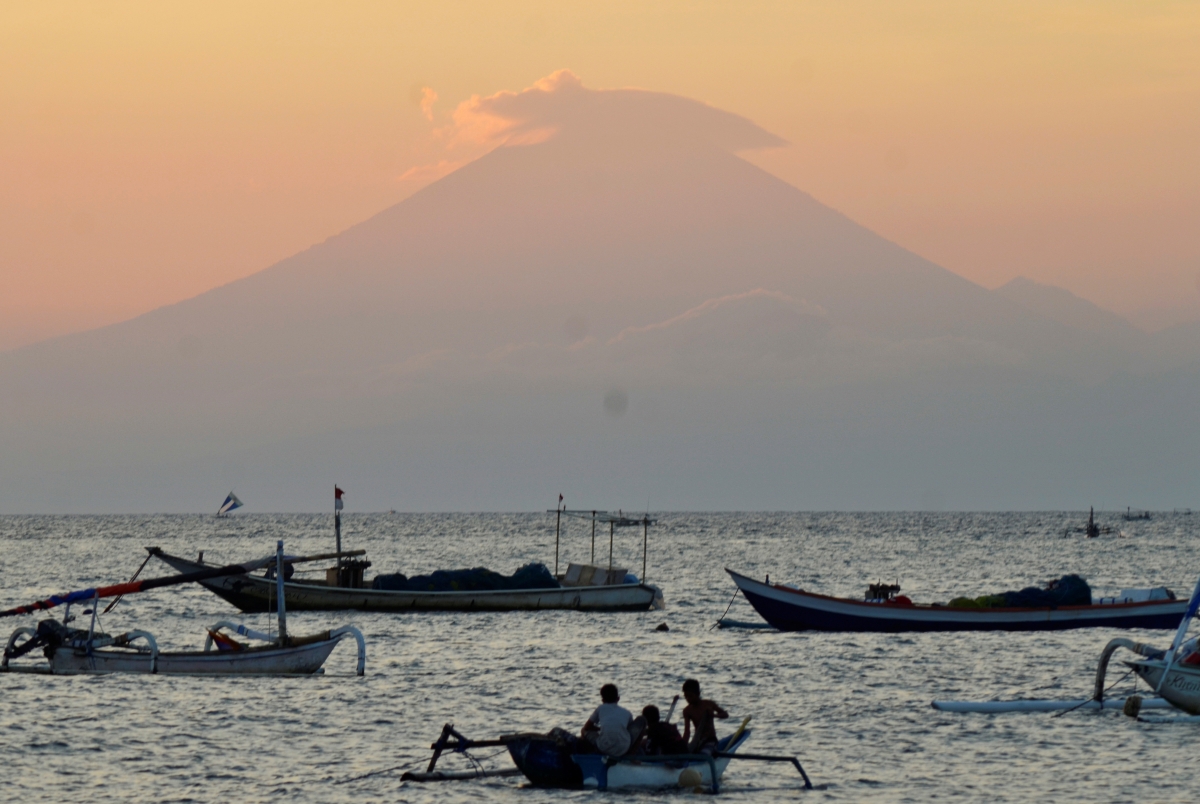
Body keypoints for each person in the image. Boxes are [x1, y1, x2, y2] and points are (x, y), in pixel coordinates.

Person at [581, 683, 644, 757]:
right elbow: (627, 730)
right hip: (624, 749)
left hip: (604, 748)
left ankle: (588, 753)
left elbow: (587, 727)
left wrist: (600, 729)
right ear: (618, 698)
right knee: (642, 721)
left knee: (583, 730)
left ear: (603, 700)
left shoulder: (601, 708)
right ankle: (632, 755)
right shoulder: (627, 713)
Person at [681, 678, 728, 754]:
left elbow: (725, 715)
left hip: (710, 740)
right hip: (697, 741)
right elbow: (687, 732)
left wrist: (714, 715)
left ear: (698, 694)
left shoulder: (708, 704)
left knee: (704, 754)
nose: (688, 699)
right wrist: (682, 746)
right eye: (686, 696)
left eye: (690, 696)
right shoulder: (687, 711)